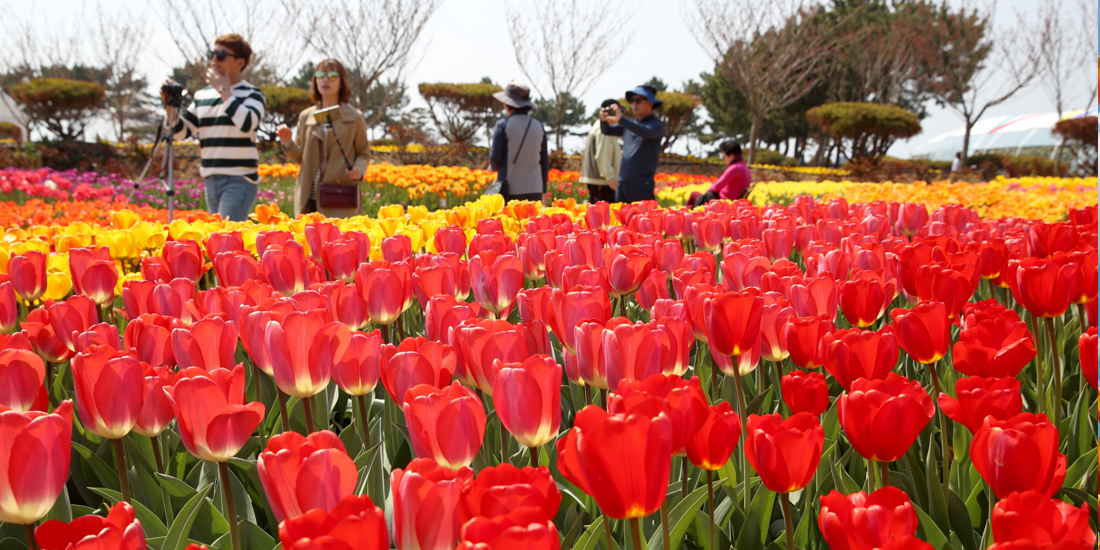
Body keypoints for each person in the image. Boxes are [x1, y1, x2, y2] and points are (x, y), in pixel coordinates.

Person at [162, 34, 266, 222]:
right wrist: (170, 107)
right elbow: (180, 132)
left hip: (239, 179)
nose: (213, 60)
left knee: (226, 239)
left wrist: (224, 90)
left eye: (220, 55)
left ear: (240, 63)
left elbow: (248, 123)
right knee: (218, 239)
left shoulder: (252, 94)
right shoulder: (203, 96)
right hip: (211, 179)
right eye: (212, 54)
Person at [276, 59, 370, 217]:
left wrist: (358, 170)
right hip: (308, 194)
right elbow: (301, 157)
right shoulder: (307, 116)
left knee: (337, 240)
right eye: (320, 75)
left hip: (338, 195)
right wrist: (287, 141)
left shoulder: (354, 117)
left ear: (342, 82)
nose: (325, 79)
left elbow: (364, 153)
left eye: (332, 75)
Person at [599, 84, 665, 203]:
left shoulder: (657, 126)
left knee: (641, 220)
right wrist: (603, 120)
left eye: (638, 100)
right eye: (632, 100)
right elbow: (607, 131)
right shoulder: (630, 124)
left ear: (650, 103)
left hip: (641, 184)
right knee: (621, 219)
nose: (634, 104)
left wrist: (621, 120)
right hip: (623, 182)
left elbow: (645, 132)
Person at [489, 82, 549, 203]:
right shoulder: (539, 126)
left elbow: (495, 159)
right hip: (534, 189)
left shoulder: (503, 125)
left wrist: (494, 168)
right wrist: (543, 190)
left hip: (510, 190)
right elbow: (544, 162)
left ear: (507, 104)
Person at [579, 99, 622, 204]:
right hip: (603, 181)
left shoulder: (599, 126)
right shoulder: (603, 130)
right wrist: (610, 176)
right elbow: (603, 153)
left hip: (600, 180)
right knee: (603, 216)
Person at [691, 140, 751, 207]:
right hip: (732, 201)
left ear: (731, 154)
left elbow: (716, 187)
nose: (724, 159)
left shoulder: (735, 168)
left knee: (694, 195)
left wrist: (708, 190)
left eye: (724, 156)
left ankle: (686, 216)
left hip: (723, 201)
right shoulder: (744, 167)